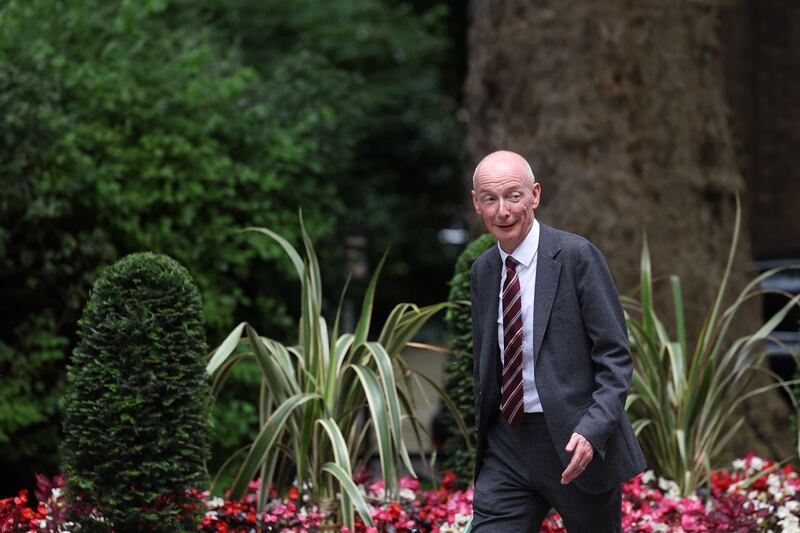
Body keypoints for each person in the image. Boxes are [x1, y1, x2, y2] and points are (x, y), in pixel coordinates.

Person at [469, 150, 645, 532]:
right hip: (508, 445)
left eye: (513, 196)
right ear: (476, 203)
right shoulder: (483, 271)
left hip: (576, 443)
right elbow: (486, 362)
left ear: (534, 195)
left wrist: (593, 430)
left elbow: (615, 358)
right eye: (491, 199)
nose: (503, 211)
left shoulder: (577, 257)